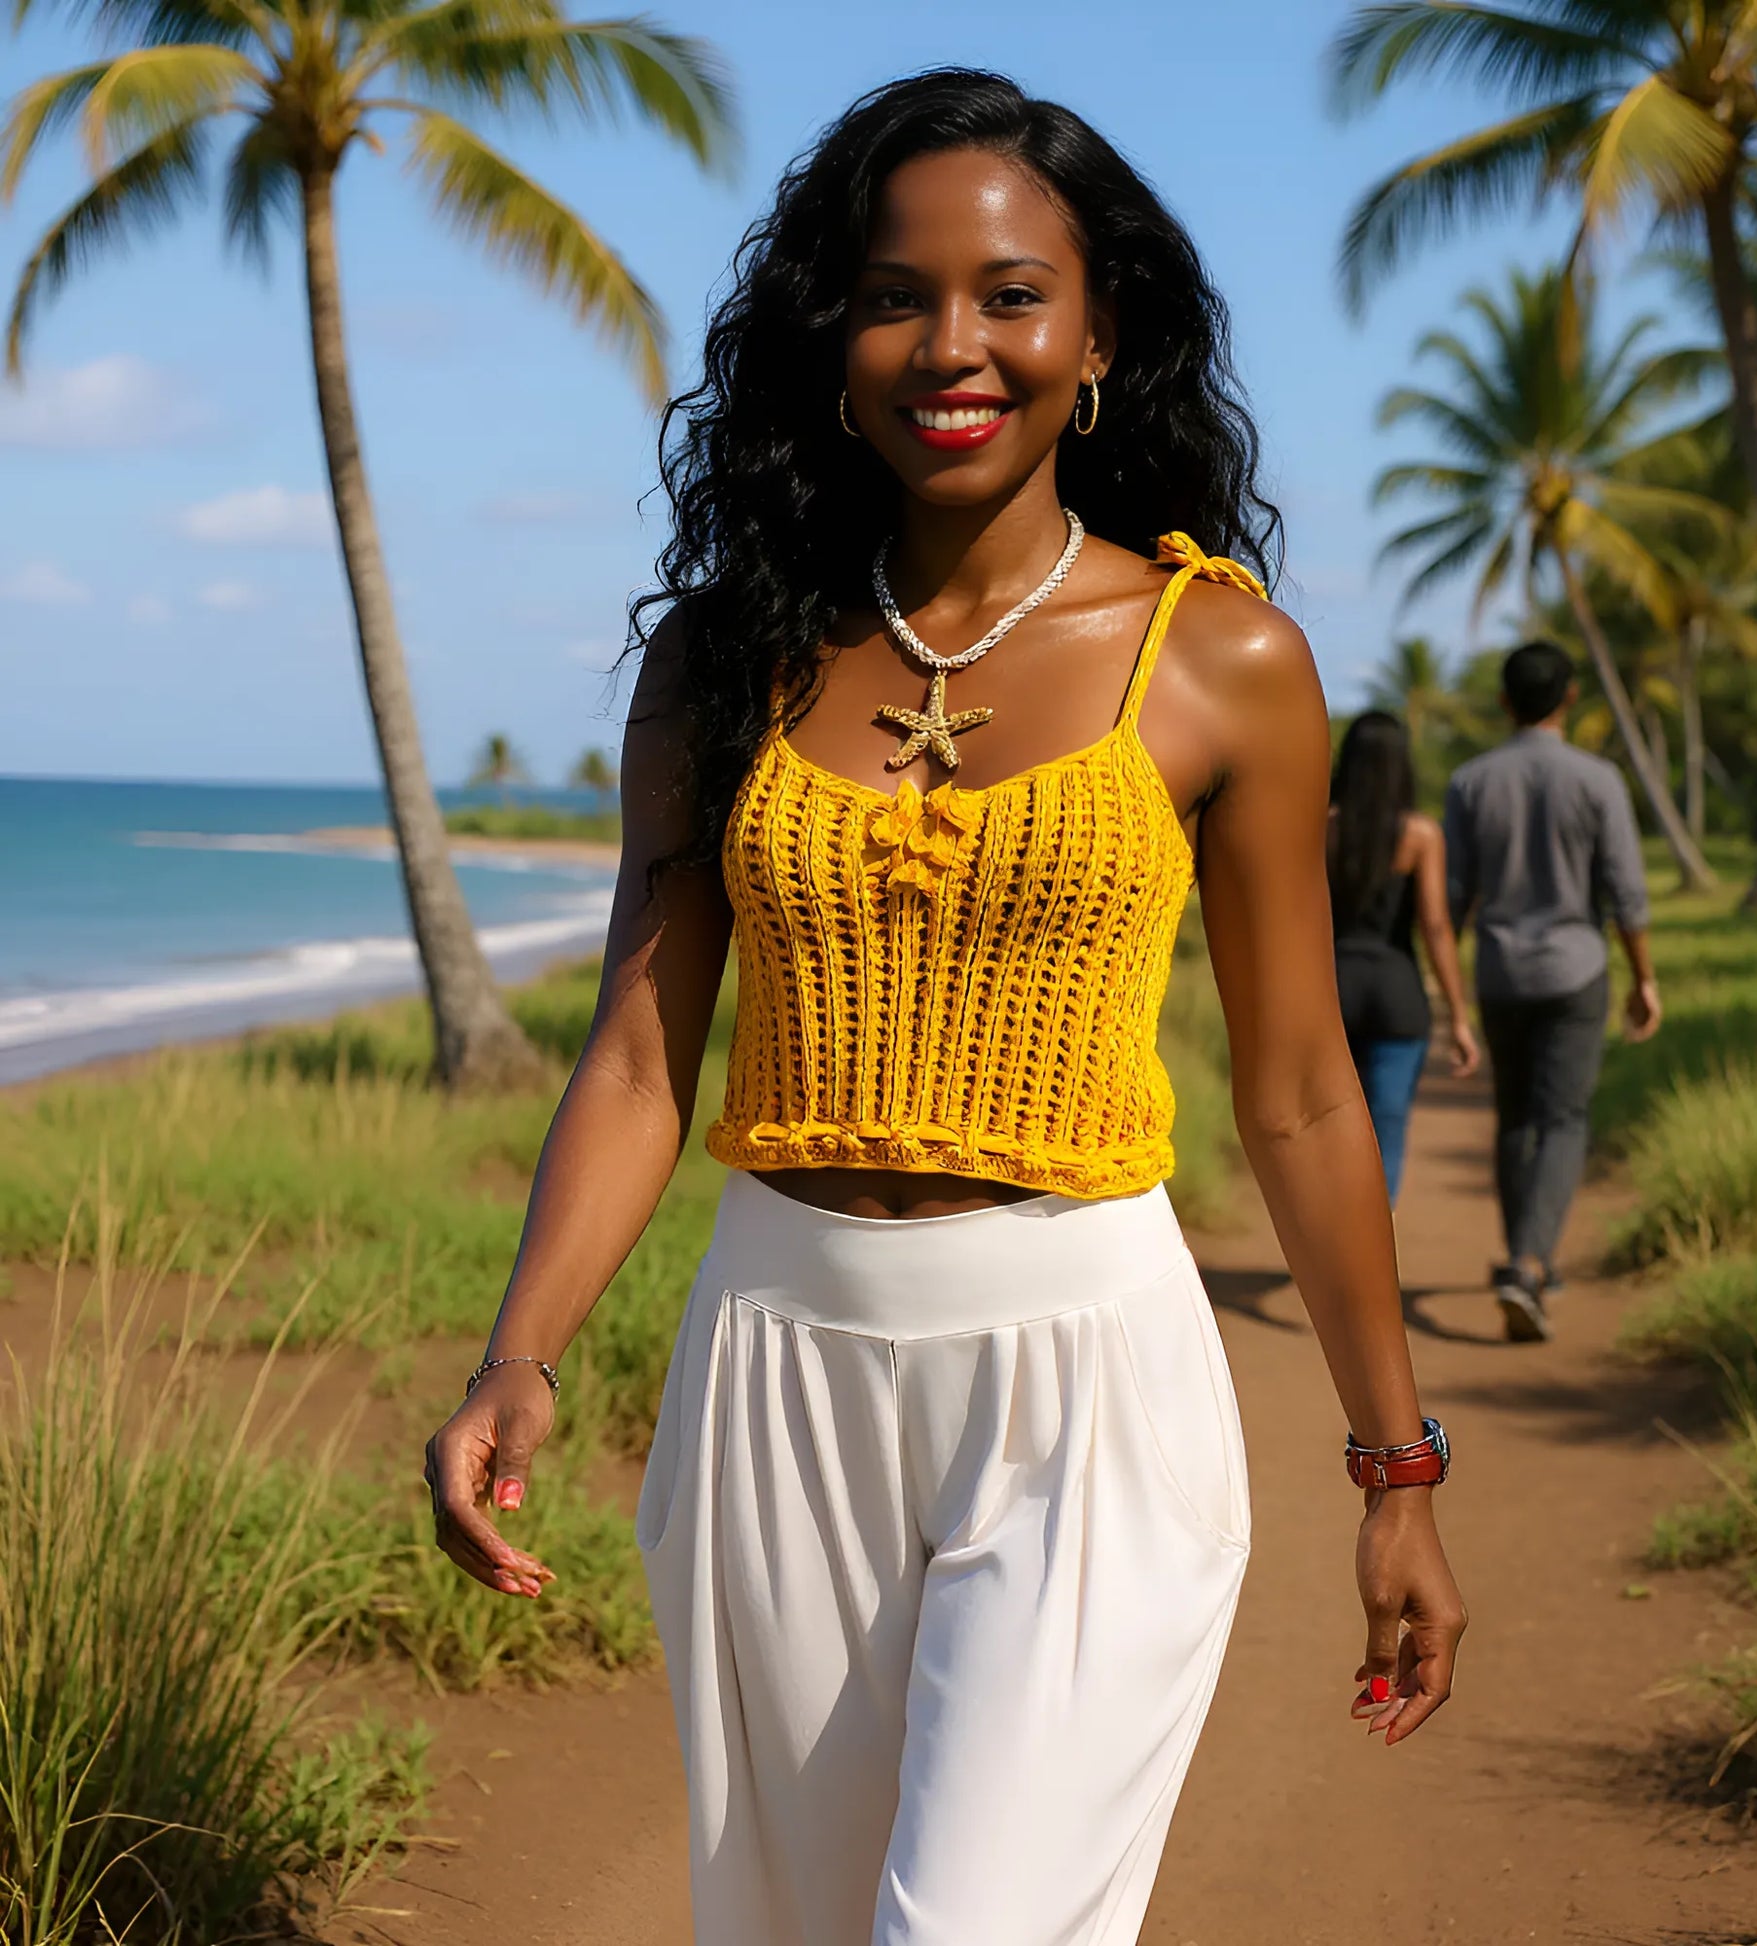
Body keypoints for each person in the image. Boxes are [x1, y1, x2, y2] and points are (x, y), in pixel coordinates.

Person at [424, 69, 1465, 1946]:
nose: (950, 344)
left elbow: (1304, 1096)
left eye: (1008, 294)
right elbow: (648, 1050)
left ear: (1099, 332)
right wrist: (523, 1353)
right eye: (897, 295)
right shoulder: (725, 653)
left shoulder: (1219, 656)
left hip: (1083, 1383)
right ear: (834, 333)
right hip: (772, 1375)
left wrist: (1395, 1470)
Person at [1444, 641, 1660, 1344]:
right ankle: (1531, 1264)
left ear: (1504, 702)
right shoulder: (1598, 781)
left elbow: (1451, 900)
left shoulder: (1471, 783)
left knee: (1513, 1119)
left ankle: (1524, 1260)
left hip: (1502, 972)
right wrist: (1644, 980)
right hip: (1577, 971)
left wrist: (1447, 993)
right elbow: (1627, 894)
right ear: (1570, 698)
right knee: (1563, 1119)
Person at [1328, 710, 1480, 1205]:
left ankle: (1328, 1247)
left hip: (1331, 993)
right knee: (1386, 1130)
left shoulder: (1317, 828)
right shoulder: (1420, 835)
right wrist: (1458, 1015)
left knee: (1331, 1129)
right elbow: (1435, 926)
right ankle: (1376, 1246)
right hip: (1398, 994)